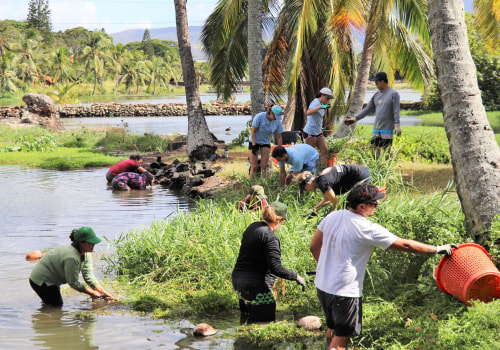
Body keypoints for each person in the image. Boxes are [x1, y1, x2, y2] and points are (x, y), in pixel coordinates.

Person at [309, 183, 457, 350]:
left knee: (333, 329)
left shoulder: (332, 217)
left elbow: (314, 246)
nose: (377, 206)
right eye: (374, 203)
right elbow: (406, 245)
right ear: (362, 206)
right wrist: (437, 249)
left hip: (322, 286)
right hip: (344, 292)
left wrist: (327, 269)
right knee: (340, 341)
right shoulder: (366, 228)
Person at [232, 203, 306, 324]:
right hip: (257, 288)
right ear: (280, 219)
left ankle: (241, 342)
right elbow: (275, 267)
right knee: (264, 325)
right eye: (283, 221)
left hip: (239, 283)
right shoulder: (271, 238)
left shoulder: (252, 227)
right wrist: (296, 277)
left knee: (246, 321)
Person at [29, 227, 115, 307]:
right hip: (41, 281)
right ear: (81, 242)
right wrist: (92, 293)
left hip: (51, 280)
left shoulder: (86, 253)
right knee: (57, 307)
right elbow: (73, 282)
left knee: (51, 304)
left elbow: (88, 275)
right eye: (90, 242)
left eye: (94, 242)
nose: (93, 245)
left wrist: (102, 291)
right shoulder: (71, 257)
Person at [344, 72, 402, 151]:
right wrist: (355, 119)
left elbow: (396, 110)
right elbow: (367, 109)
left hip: (387, 129)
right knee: (374, 151)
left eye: (376, 82)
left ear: (382, 81)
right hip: (376, 129)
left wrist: (397, 125)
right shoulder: (376, 95)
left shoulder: (394, 94)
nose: (375, 84)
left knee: (386, 152)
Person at [298, 164, 371, 213]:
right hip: (361, 171)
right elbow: (328, 199)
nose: (306, 191)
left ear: (308, 184)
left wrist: (329, 219)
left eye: (305, 189)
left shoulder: (322, 183)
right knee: (347, 205)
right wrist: (314, 210)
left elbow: (337, 205)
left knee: (349, 206)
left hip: (360, 176)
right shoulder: (319, 178)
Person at [249, 105, 285, 179]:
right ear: (271, 113)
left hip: (265, 142)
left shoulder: (278, 122)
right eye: (275, 117)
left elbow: (279, 136)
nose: (276, 119)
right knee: (254, 166)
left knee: (264, 166)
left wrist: (280, 148)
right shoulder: (259, 117)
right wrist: (254, 145)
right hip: (254, 141)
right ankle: (251, 183)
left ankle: (262, 183)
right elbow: (253, 131)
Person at [304, 87, 334, 168]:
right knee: (311, 153)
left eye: (329, 99)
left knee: (324, 151)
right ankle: (309, 172)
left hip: (318, 131)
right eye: (327, 98)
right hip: (310, 131)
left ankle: (323, 171)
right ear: (322, 95)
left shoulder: (322, 104)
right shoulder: (316, 102)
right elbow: (308, 112)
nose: (328, 100)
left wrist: (323, 108)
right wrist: (320, 107)